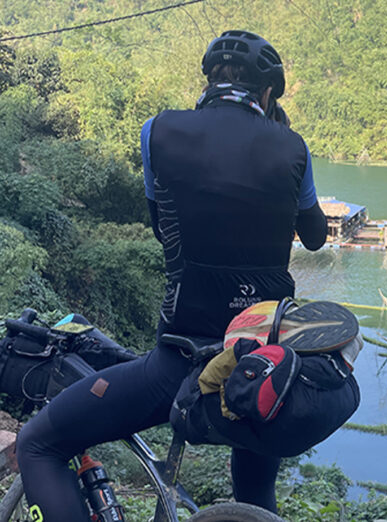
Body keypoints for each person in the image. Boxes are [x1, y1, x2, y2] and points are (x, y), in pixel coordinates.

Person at [16, 30, 329, 520]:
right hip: (258, 364)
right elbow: (315, 237)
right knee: (253, 491)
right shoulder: (292, 146)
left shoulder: (156, 131)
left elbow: (165, 230)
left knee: (37, 444)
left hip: (178, 362)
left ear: (209, 81)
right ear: (267, 93)